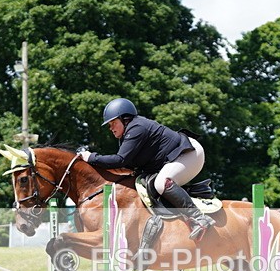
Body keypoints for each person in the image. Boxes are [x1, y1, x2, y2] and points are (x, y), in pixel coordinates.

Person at [78, 98, 214, 241]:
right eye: (109, 125)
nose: (111, 128)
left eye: (113, 123)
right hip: (174, 158)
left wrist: (91, 157)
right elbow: (128, 165)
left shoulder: (137, 128)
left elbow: (120, 160)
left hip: (189, 153)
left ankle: (199, 218)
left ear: (125, 119)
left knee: (162, 183)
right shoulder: (127, 133)